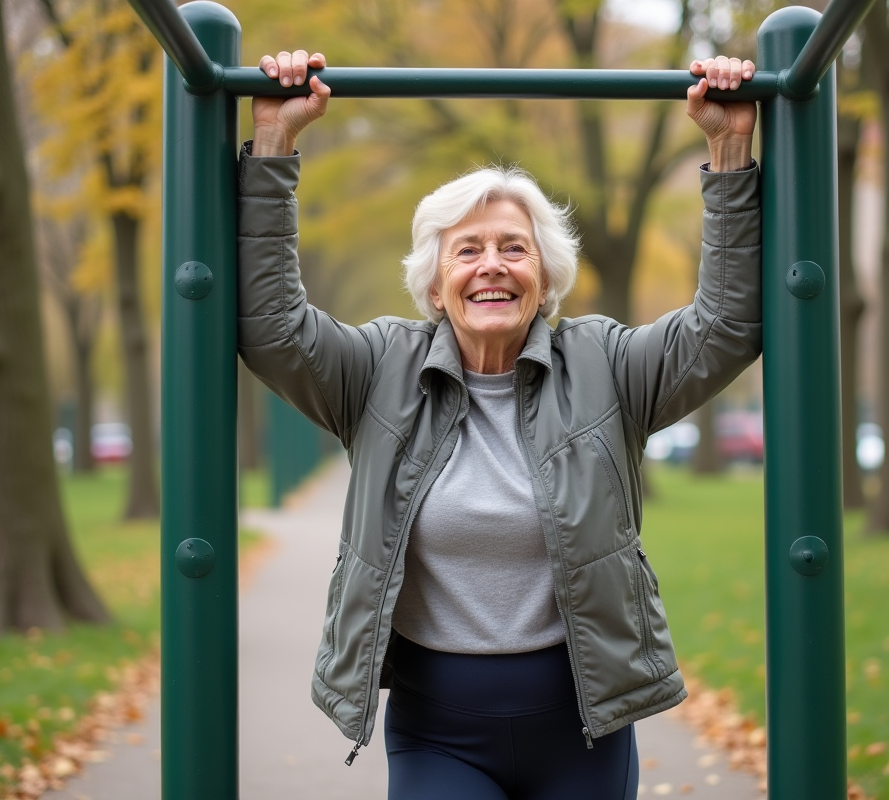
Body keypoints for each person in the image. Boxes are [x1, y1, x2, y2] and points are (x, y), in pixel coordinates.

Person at [239, 49, 761, 800]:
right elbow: (273, 329)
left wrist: (728, 147)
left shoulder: (606, 367)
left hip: (584, 721)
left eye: (514, 248)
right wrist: (275, 144)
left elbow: (724, 329)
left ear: (544, 277)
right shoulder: (379, 369)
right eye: (468, 250)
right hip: (438, 728)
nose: (492, 265)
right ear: (436, 280)